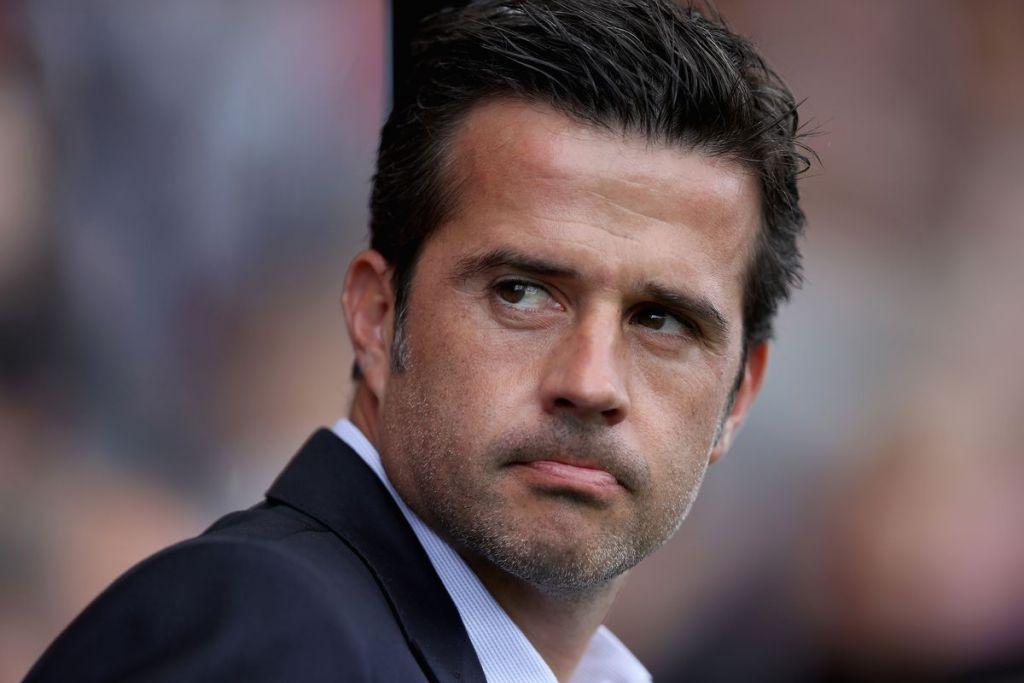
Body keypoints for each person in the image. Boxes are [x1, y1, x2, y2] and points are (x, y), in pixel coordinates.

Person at [26, 1, 809, 681]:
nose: (591, 380)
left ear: (740, 394)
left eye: (662, 320)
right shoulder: (272, 633)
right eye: (521, 292)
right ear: (375, 315)